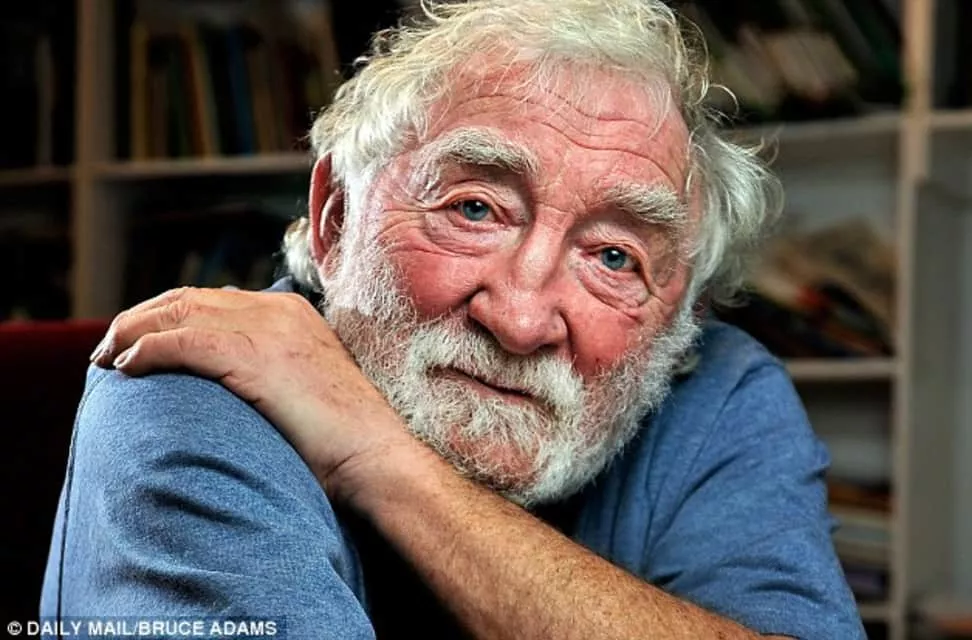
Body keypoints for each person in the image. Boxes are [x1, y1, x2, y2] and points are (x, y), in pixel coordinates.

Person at [41, 1, 865, 638]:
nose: (521, 319)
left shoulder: (719, 389)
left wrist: (381, 459)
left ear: (681, 318)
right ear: (334, 217)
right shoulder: (200, 376)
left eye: (615, 257)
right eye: (475, 208)